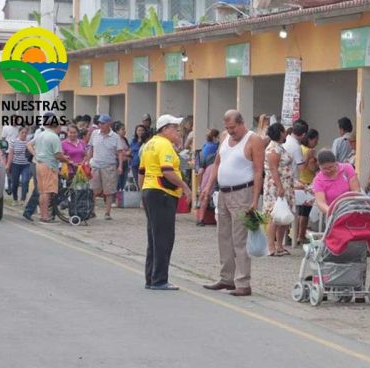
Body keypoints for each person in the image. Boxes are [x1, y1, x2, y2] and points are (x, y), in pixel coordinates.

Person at [200, 110, 264, 296]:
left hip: (242, 192)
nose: (231, 132)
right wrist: (208, 187)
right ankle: (226, 277)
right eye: (227, 128)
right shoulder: (225, 137)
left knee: (240, 239)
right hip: (224, 192)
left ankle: (243, 282)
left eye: (233, 128)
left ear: (242, 123)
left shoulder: (254, 140)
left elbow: (258, 171)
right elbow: (218, 164)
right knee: (224, 237)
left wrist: (254, 199)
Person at [138, 115, 192, 291]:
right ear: (165, 129)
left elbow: (141, 172)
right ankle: (160, 279)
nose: (178, 132)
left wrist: (143, 192)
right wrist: (186, 187)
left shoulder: (149, 144)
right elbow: (168, 171)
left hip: (150, 190)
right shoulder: (164, 145)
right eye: (175, 128)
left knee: (154, 237)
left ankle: (151, 278)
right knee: (164, 238)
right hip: (162, 193)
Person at [28, 120, 71, 224]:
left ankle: (43, 214)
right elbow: (58, 155)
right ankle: (45, 216)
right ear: (57, 126)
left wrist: (36, 154)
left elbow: (28, 144)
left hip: (39, 164)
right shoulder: (54, 137)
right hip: (49, 166)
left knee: (42, 191)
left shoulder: (41, 134)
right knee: (47, 192)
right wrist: (68, 161)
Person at [263, 123, 295, 257]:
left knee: (283, 216)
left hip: (286, 185)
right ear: (280, 133)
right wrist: (280, 187)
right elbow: (273, 169)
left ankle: (280, 245)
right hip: (276, 187)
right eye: (284, 131)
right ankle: (271, 246)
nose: (286, 134)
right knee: (274, 216)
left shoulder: (280, 147)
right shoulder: (273, 149)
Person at [86, 114, 126, 220]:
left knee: (109, 191)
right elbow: (91, 148)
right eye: (99, 123)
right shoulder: (95, 134)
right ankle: (92, 211)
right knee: (93, 189)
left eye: (103, 123)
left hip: (109, 166)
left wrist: (120, 166)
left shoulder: (115, 137)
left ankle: (107, 213)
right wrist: (86, 161)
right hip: (95, 165)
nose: (100, 125)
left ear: (109, 124)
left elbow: (120, 152)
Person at [312, 149, 360, 215]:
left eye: (331, 167)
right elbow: (321, 202)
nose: (328, 170)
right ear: (319, 167)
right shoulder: (318, 180)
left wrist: (350, 206)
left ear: (336, 162)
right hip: (334, 212)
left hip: (352, 207)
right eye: (324, 169)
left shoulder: (347, 168)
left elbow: (356, 190)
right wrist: (331, 212)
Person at [295, 129, 319, 244]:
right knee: (305, 212)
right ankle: (301, 235)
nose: (317, 142)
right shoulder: (309, 152)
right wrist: (316, 163)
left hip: (299, 181)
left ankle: (297, 234)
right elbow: (312, 168)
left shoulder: (300, 149)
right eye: (315, 140)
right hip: (308, 184)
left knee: (300, 212)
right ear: (310, 139)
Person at [5, 127, 32, 204]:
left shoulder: (28, 142)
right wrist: (8, 165)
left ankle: (23, 199)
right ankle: (15, 199)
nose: (24, 134)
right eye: (22, 133)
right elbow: (11, 154)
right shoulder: (13, 142)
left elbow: (32, 151)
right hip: (15, 164)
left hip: (26, 165)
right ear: (19, 133)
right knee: (15, 182)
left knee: (25, 181)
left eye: (25, 133)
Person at [113, 121, 131, 192]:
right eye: (122, 129)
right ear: (117, 131)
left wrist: (126, 153)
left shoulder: (125, 139)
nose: (124, 131)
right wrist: (125, 153)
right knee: (117, 181)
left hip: (125, 162)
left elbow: (129, 149)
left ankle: (121, 197)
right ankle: (116, 199)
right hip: (118, 162)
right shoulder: (115, 140)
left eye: (124, 129)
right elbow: (116, 151)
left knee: (124, 180)